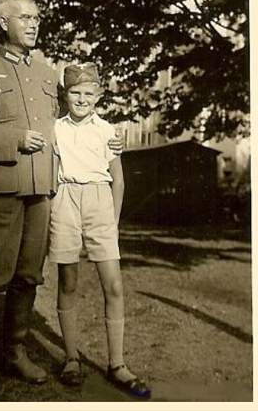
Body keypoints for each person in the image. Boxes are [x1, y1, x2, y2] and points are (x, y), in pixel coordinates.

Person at [0, 0, 123, 397]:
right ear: (3, 23)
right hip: (1, 189)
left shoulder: (49, 74)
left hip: (42, 192)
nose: (33, 24)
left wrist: (109, 143)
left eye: (37, 17)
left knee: (30, 275)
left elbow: (72, 123)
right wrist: (12, 139)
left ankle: (13, 351)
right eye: (24, 17)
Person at [48, 63, 151, 398]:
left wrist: (113, 220)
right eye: (75, 93)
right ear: (65, 95)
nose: (81, 99)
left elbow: (117, 178)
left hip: (100, 201)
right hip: (65, 199)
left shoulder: (107, 130)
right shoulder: (55, 129)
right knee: (69, 280)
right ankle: (72, 358)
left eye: (88, 94)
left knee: (114, 285)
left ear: (99, 96)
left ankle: (117, 363)